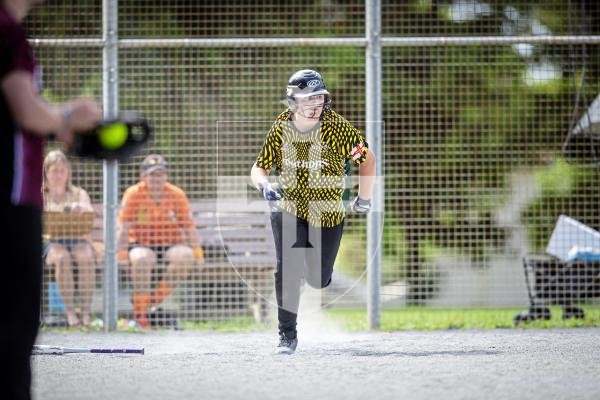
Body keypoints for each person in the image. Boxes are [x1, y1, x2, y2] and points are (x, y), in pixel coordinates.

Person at [0, 1, 102, 398]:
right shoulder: (6, 29)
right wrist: (65, 117)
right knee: (13, 332)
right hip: (10, 201)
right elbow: (26, 109)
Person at [250, 69, 376, 354]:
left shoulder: (336, 127)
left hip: (328, 212)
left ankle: (309, 277)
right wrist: (264, 186)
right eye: (309, 98)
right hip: (288, 205)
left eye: (320, 97)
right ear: (293, 101)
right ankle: (287, 335)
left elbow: (367, 159)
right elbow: (259, 167)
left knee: (319, 279)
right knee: (288, 268)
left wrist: (364, 199)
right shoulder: (281, 126)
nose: (317, 103)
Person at [117, 154, 204, 329]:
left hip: (170, 242)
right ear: (143, 177)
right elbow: (124, 227)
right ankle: (140, 316)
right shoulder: (133, 194)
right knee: (142, 259)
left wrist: (198, 253)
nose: (157, 179)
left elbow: (189, 227)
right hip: (141, 243)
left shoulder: (176, 194)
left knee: (185, 256)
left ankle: (151, 301)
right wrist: (122, 254)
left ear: (166, 176)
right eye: (152, 175)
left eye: (161, 174)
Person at [43, 149, 96, 327]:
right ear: (46, 172)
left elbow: (89, 211)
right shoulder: (40, 194)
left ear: (68, 173)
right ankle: (70, 313)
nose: (59, 175)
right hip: (51, 242)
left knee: (86, 256)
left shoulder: (78, 193)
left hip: (77, 239)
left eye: (62, 170)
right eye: (54, 170)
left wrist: (80, 207)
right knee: (62, 258)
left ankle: (86, 313)